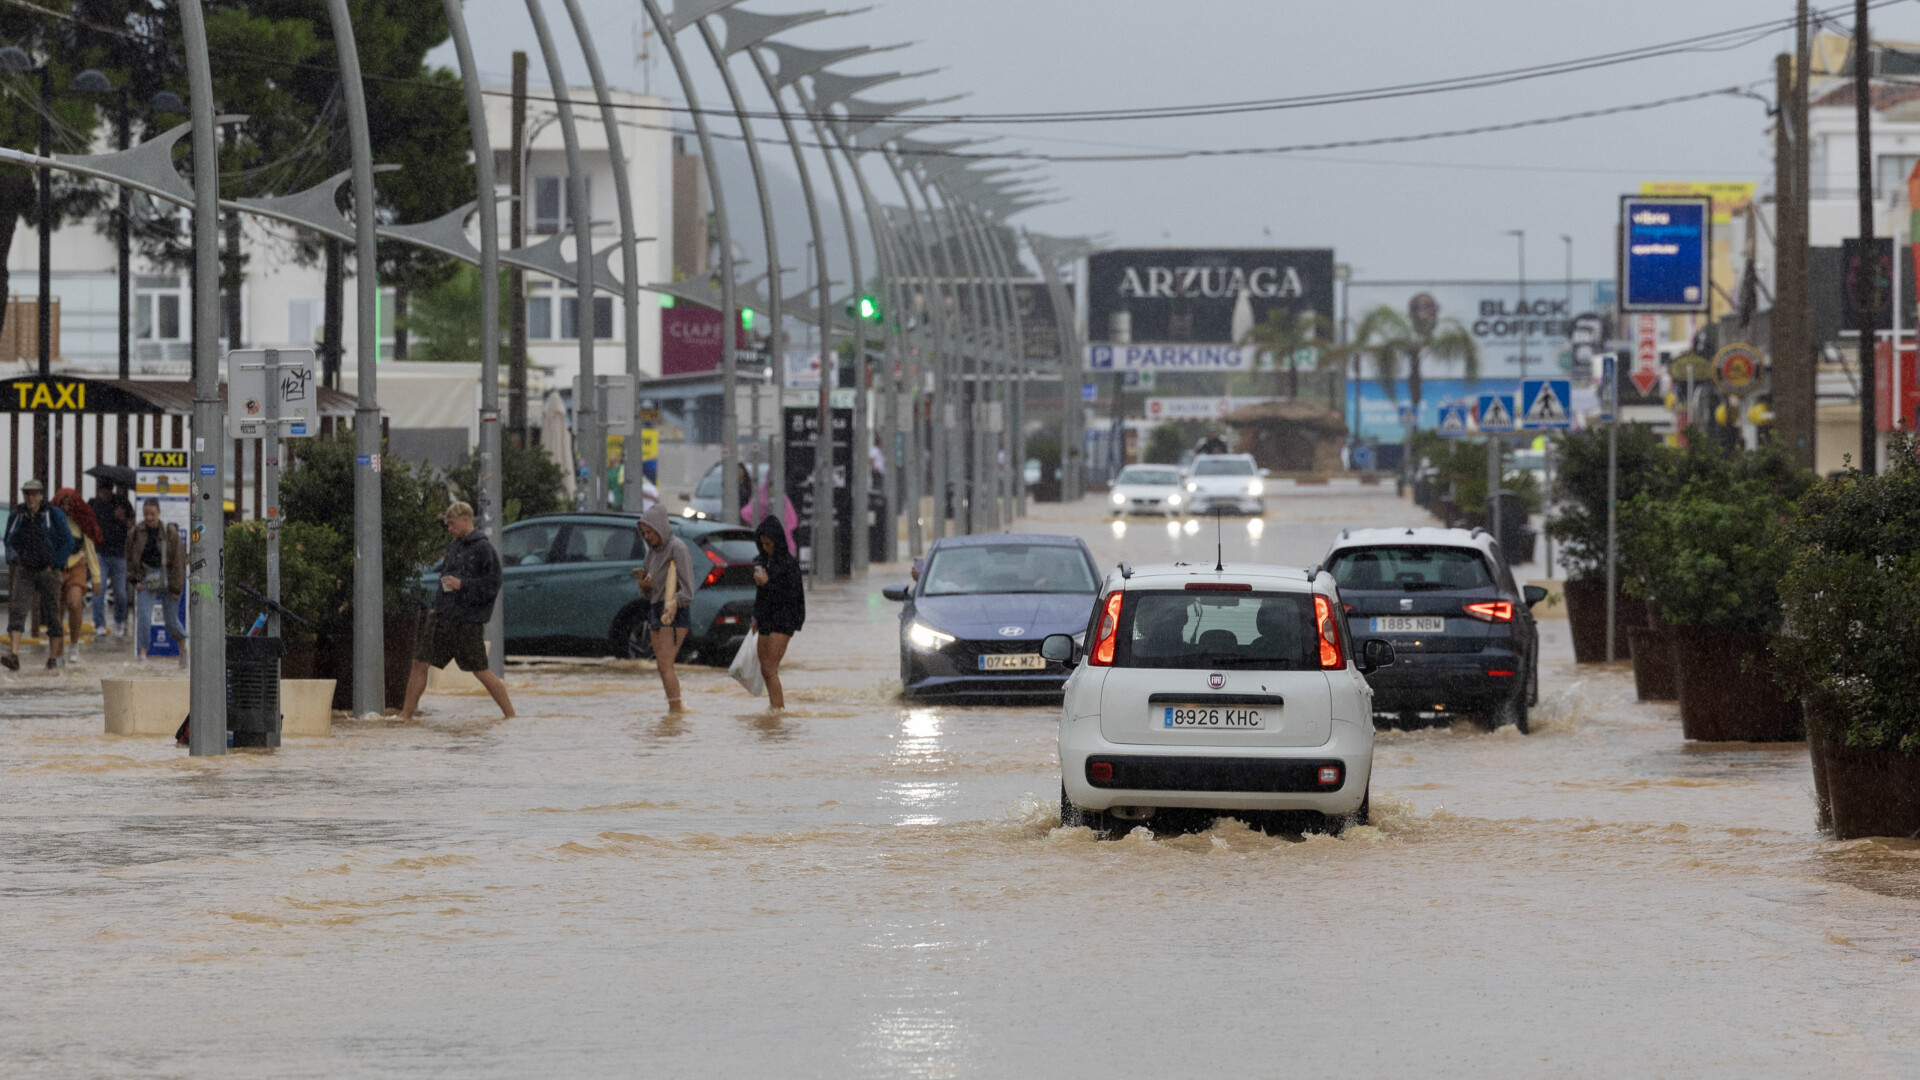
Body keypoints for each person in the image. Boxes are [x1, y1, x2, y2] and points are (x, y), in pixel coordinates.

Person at [401, 501, 515, 722]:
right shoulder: (453, 547)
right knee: (419, 662)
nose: (449, 529)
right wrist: (437, 606)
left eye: (452, 524)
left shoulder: (483, 549)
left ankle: (510, 715)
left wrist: (463, 585)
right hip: (442, 617)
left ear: (465, 519)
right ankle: (406, 715)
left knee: (481, 670)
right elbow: (445, 580)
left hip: (467, 622)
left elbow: (492, 585)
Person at [3, 479, 73, 671]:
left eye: (34, 494)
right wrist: (14, 558)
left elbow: (68, 541)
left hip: (48, 572)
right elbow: (8, 540)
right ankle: (14, 655)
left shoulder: (54, 514)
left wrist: (54, 563)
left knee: (52, 614)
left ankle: (52, 659)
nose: (30, 498)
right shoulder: (18, 515)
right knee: (18, 610)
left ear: (41, 495)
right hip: (25, 570)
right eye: (27, 494)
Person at [632, 503, 695, 711]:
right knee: (661, 666)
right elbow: (649, 594)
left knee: (665, 665)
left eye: (650, 532)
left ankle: (676, 712)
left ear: (660, 528)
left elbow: (689, 591)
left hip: (675, 612)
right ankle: (675, 708)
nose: (647, 537)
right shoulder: (650, 555)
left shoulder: (678, 548)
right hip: (655, 609)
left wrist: (675, 602)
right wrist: (645, 587)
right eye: (644, 533)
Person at [750, 513, 805, 710]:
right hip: (765, 618)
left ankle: (778, 710)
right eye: (762, 544)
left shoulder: (789, 565)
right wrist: (755, 616)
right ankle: (775, 707)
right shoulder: (763, 562)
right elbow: (761, 595)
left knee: (770, 668)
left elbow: (791, 597)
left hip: (783, 619)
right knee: (765, 669)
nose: (765, 548)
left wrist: (768, 583)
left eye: (768, 544)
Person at [125, 498, 187, 667]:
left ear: (159, 513)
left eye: (152, 514)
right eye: (146, 514)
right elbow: (129, 558)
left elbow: (179, 561)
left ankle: (183, 648)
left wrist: (176, 588)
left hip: (167, 575)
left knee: (171, 620)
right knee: (144, 617)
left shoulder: (169, 531)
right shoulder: (136, 532)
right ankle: (143, 656)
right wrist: (135, 579)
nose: (149, 517)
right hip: (145, 576)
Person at [53, 488, 101, 662]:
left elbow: (90, 551)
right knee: (56, 611)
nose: (66, 507)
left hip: (77, 567)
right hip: (56, 568)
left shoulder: (82, 521)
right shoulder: (53, 520)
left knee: (74, 603)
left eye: (69, 503)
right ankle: (57, 650)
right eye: (62, 503)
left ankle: (73, 643)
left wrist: (96, 578)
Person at [89, 481, 133, 640]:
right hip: (100, 553)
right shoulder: (93, 504)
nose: (105, 492)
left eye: (108, 489)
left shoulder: (122, 503)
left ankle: (119, 621)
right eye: (102, 489)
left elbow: (132, 526)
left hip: (119, 554)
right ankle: (99, 624)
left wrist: (122, 519)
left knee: (121, 593)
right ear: (98, 489)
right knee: (98, 591)